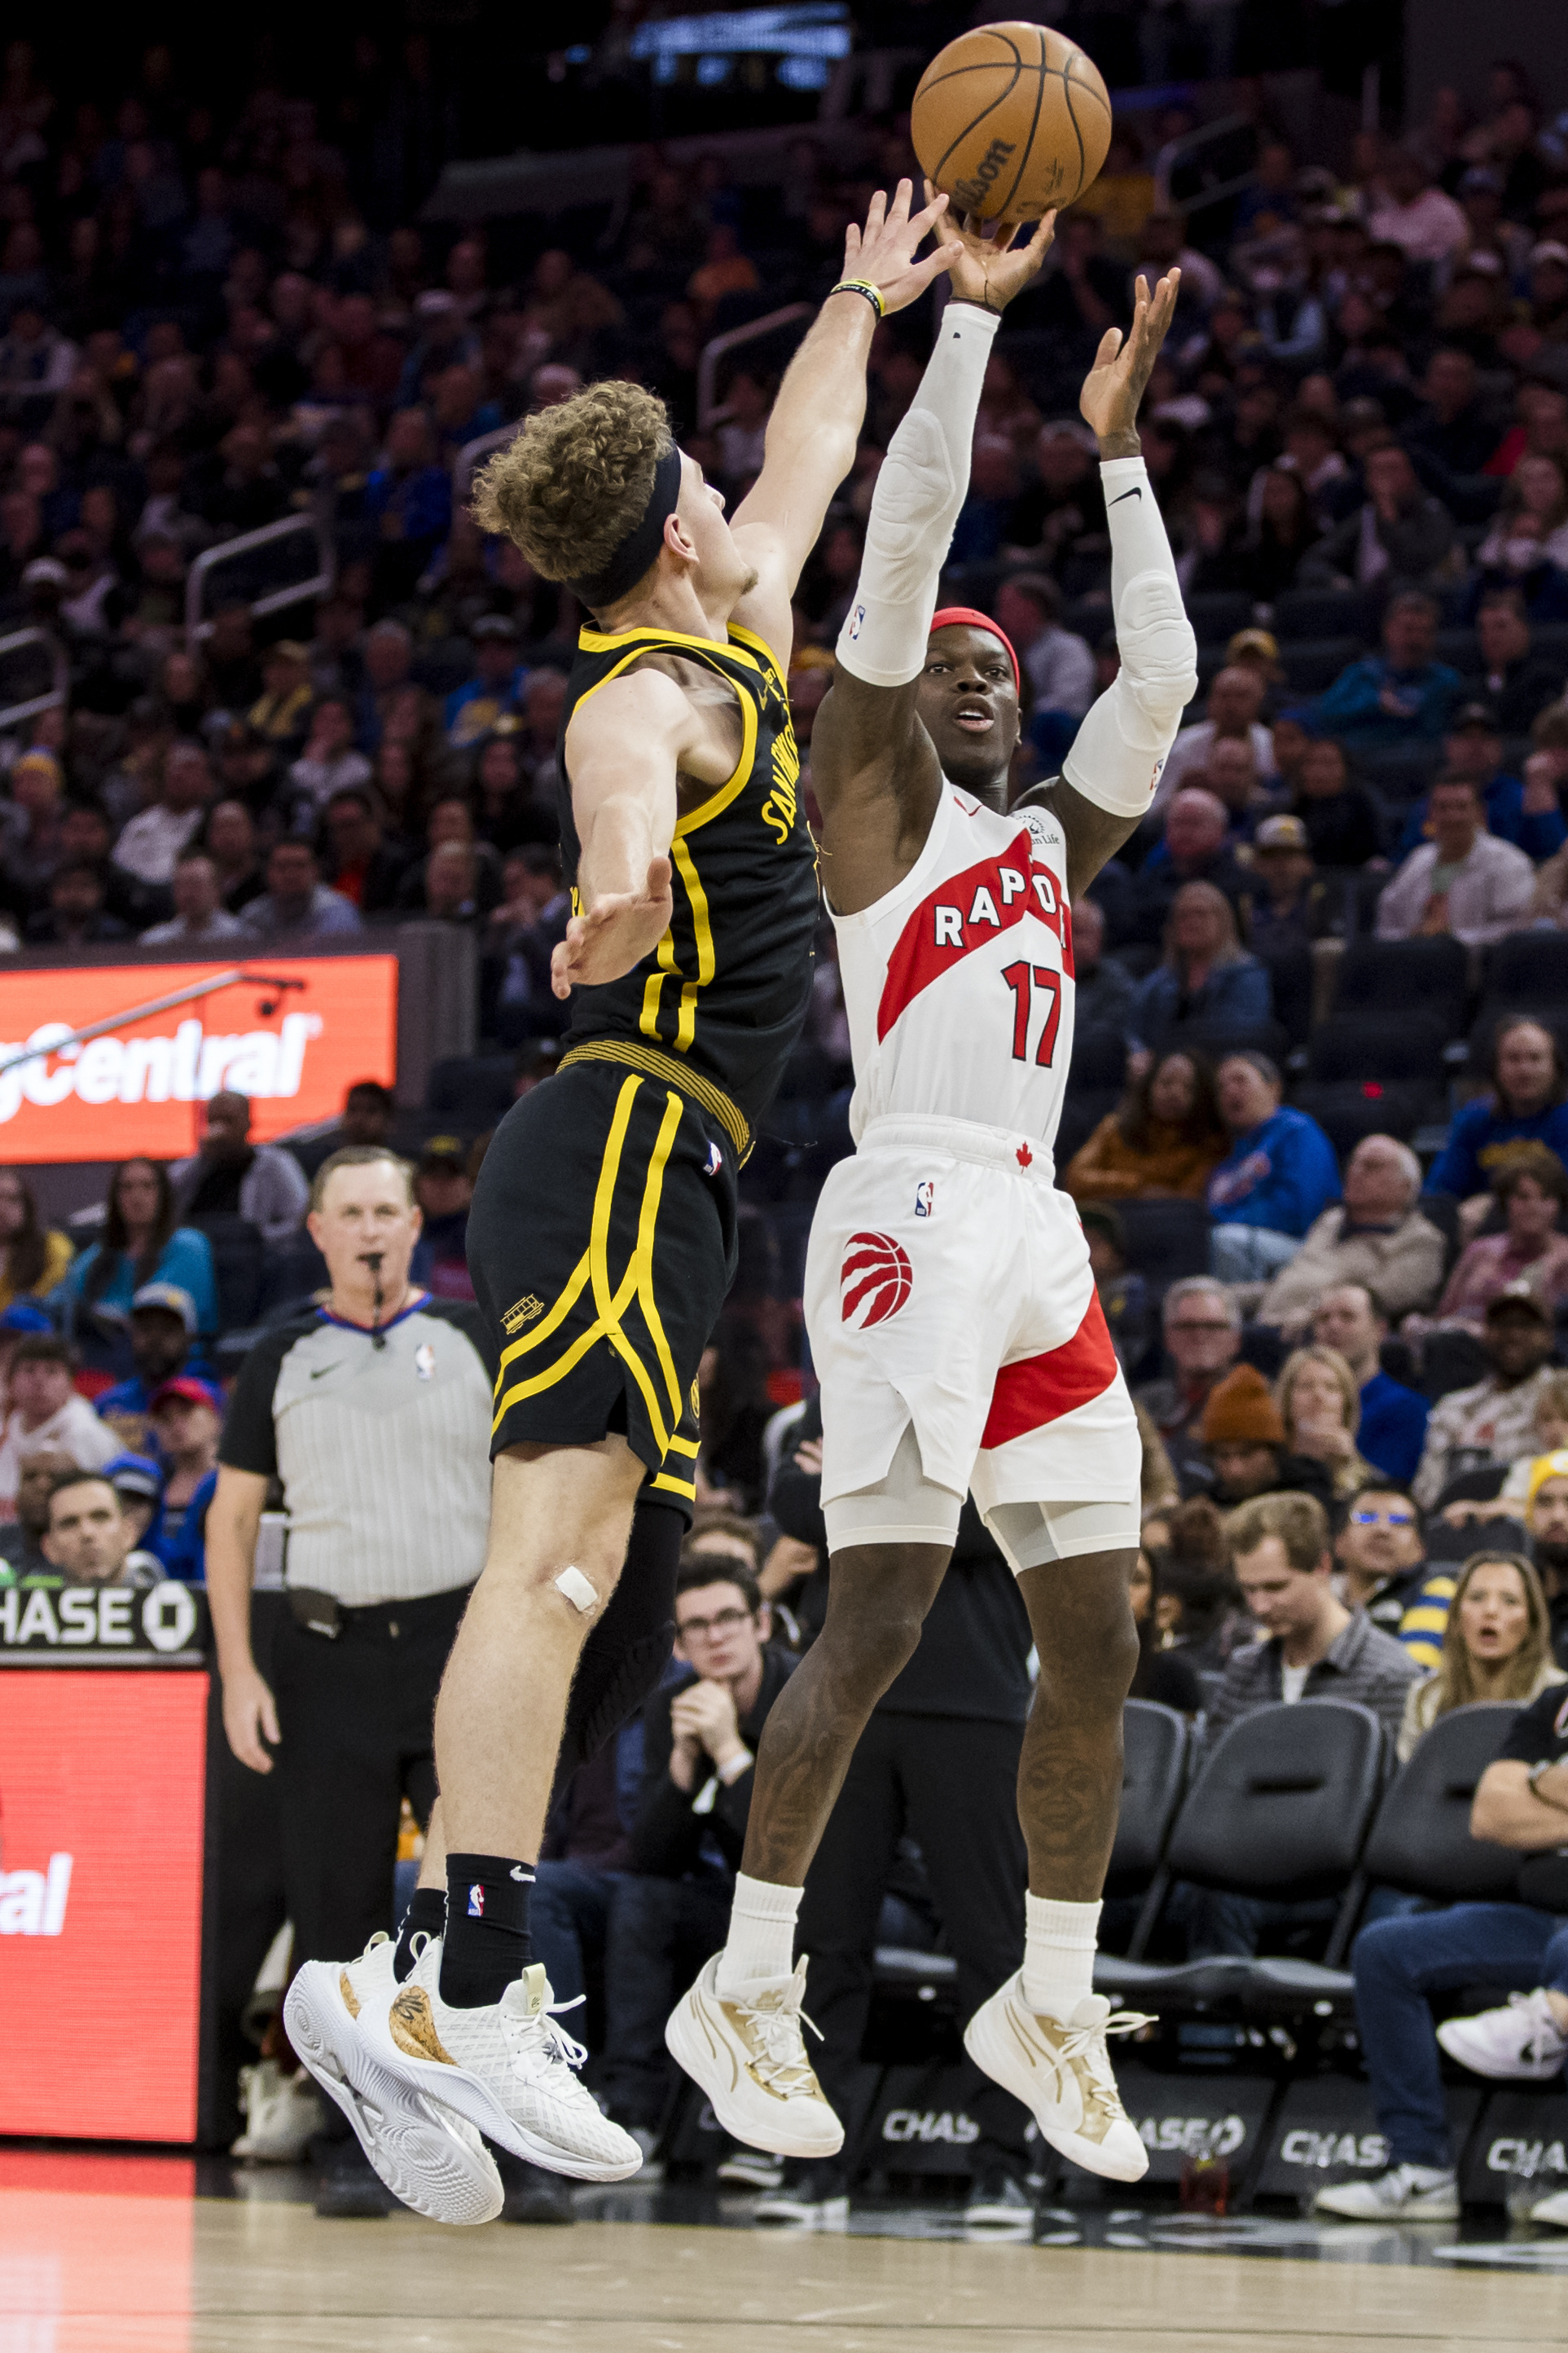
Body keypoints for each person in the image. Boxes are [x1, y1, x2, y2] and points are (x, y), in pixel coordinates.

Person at [296, 183, 965, 2211]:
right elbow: (610, 822)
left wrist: (866, 292)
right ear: (669, 532)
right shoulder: (640, 700)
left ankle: (402, 1973)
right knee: (562, 1566)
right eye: (698, 473)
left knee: (600, 1582)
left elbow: (811, 445)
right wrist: (614, 893)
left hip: (678, 1173)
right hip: (610, 1139)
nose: (723, 485)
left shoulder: (740, 616)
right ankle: (470, 1978)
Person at [660, 248, 1198, 2187]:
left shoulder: (1053, 836)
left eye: (997, 671)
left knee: (1101, 1627)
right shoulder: (868, 795)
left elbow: (1167, 682)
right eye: (953, 665)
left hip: (1036, 1224)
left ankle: (1047, 1991)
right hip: (902, 1204)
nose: (979, 679)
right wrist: (969, 319)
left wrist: (1122, 456)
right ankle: (741, 1976)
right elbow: (902, 549)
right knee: (879, 1606)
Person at [211, 1147, 499, 2220]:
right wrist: (240, 1672)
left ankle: (494, 2130)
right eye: (351, 1212)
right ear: (318, 1231)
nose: (371, 1227)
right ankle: (363, 2142)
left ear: (417, 1224)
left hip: (456, 1650)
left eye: (388, 1209)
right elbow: (230, 1520)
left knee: (478, 1900)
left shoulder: (473, 1338)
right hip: (321, 1659)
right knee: (336, 1918)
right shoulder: (280, 1352)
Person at [754, 1388, 1040, 2223]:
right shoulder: (849, 1366)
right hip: (846, 1695)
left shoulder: (996, 1385)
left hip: (971, 1702)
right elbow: (788, 1501)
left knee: (988, 1939)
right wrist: (930, 1497)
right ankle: (812, 2160)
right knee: (825, 1938)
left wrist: (855, 1487)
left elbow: (1009, 1520)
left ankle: (1004, 2161)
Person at [1315, 1688, 1568, 2226]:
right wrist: (1536, 1786)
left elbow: (1519, 1796)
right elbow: (1490, 1814)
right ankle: (1420, 2169)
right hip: (1538, 1916)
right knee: (1385, 1949)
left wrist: (1540, 1781)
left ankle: (1547, 2019)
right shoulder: (1554, 1704)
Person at [597, 1553, 797, 2154]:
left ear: (760, 1625)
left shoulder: (803, 1699)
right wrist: (684, 1766)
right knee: (642, 1902)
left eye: (728, 1619)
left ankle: (770, 2127)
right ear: (679, 1645)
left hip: (841, 1896)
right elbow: (653, 1859)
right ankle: (633, 2113)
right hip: (735, 1893)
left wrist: (730, 1752)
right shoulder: (673, 1705)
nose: (715, 1637)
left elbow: (791, 1852)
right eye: (696, 1626)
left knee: (778, 1917)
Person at [1208, 1490, 1419, 1746]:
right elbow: (1212, 1778)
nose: (1260, 1606)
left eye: (1276, 1587)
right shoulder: (1243, 1671)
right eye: (1249, 1589)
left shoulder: (1388, 1674)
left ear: (1322, 1567)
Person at [1257, 1141, 1444, 1341]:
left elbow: (1377, 1299)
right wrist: (1230, 1297)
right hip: (1268, 1319)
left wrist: (1315, 1314)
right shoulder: (1331, 1220)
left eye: (1372, 1166)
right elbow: (1293, 1279)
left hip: (1321, 1335)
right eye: (1354, 1164)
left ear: (1405, 1187)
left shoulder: (1420, 1239)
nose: (1356, 1172)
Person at [1397, 1550, 1564, 1761]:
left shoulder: (1560, 1698)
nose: (1491, 1610)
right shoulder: (1425, 1697)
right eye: (1477, 1598)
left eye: (1510, 1601)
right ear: (1456, 1618)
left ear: (1531, 1623)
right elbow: (1411, 1790)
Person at [1414, 1288, 1560, 1508]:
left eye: (1526, 1325)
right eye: (1503, 1324)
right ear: (1485, 1333)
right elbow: (1426, 1494)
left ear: (1549, 1337)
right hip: (1456, 1527)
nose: (1514, 1334)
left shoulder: (1561, 1400)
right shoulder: (1453, 1407)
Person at [1205, 1052, 1340, 1285]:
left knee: (1227, 1240)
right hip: (1249, 1244)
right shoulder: (1231, 1152)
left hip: (1305, 1247)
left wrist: (1231, 1219)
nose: (1229, 1091)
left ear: (1274, 1088)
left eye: (1240, 1080)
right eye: (1221, 1087)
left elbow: (1300, 1209)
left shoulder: (1297, 1132)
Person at [59, 1159, 219, 1344]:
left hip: (174, 1360)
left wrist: (102, 1315)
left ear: (164, 1195)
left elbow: (160, 1310)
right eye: (127, 1188)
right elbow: (63, 1300)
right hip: (104, 1354)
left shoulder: (189, 1245)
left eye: (148, 1186)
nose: (137, 1196)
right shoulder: (102, 1253)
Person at [1375, 775, 1535, 948]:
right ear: (1431, 814)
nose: (1452, 816)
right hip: (1417, 966)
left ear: (1480, 812)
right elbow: (1386, 928)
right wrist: (1412, 939)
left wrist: (1453, 941)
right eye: (1443, 808)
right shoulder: (1418, 860)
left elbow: (1518, 930)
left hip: (1483, 970)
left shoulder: (1509, 862)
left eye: (1461, 807)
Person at [1425, 1018, 1568, 1212]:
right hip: (1482, 1231)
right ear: (1496, 1068)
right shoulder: (1473, 1121)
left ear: (1555, 1067)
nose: (1524, 1070)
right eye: (1513, 1059)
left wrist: (1492, 1203)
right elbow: (1440, 1192)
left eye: (1535, 1058)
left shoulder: (1563, 1119)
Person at [1422, 1146, 1568, 1335]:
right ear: (1505, 1201)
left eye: (1546, 1197)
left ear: (1559, 1204)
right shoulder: (1479, 1250)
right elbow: (1444, 1314)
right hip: (1465, 1347)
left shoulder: (1565, 1258)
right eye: (1523, 1197)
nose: (1534, 1207)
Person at [1063, 1048, 1227, 1204]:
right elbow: (1075, 1178)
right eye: (1166, 1083)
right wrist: (1137, 1186)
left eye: (1188, 1088)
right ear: (1149, 1085)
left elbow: (1187, 1203)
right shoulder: (1114, 1127)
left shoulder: (1207, 1145)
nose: (1175, 1094)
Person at [1314, 590, 1463, 756]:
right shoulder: (1361, 674)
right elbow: (1325, 714)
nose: (1415, 639)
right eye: (1408, 629)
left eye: (1425, 631)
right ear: (1389, 630)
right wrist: (1376, 702)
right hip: (1362, 766)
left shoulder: (1447, 682)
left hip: (1423, 769)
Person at [1310, 1282, 1431, 1487]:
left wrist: (1349, 1460)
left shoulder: (1407, 1408)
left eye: (1347, 1317)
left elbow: (1394, 1490)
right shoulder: (1299, 1399)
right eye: (1323, 1318)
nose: (1333, 1326)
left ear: (1379, 1330)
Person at [1131, 882, 1272, 1053]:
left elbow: (1244, 1033)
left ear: (1224, 921)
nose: (1192, 922)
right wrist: (1138, 1054)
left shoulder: (1247, 974)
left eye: (1201, 913)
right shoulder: (1159, 981)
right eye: (1183, 915)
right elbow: (1133, 1030)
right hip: (1162, 1068)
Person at [1134, 1277, 1243, 1480]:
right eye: (1187, 1326)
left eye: (1212, 1326)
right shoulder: (1143, 1405)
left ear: (1235, 1338)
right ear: (1168, 1336)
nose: (1200, 1336)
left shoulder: (1258, 1402)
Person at [171, 1090, 310, 1247]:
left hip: (256, 1260)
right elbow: (165, 1207)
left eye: (228, 1121)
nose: (220, 1130)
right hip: (198, 1254)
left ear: (248, 1123)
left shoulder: (274, 1164)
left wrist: (258, 1239)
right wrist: (202, 1158)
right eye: (213, 1121)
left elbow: (299, 1218)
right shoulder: (192, 1168)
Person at [0, 1335, 119, 1515]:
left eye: (52, 1371)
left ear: (71, 1384)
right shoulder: (6, 1433)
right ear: (11, 1382)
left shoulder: (88, 1434)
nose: (39, 1380)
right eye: (29, 1370)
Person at [1194, 1363, 1333, 1509]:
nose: (1235, 1470)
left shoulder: (1308, 1494)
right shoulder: (1206, 1506)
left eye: (1246, 1454)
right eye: (1224, 1456)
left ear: (1273, 1451)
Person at [94, 1283, 204, 1451]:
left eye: (167, 1330)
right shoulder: (109, 1403)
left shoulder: (206, 1401)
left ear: (189, 1338)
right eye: (145, 1329)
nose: (155, 1340)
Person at [33, 1468, 161, 1590]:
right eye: (70, 1523)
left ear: (128, 1533)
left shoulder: (169, 1608)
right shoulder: (24, 1611)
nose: (87, 1533)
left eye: (100, 1517)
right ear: (49, 1547)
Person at [1334, 1480, 1431, 1640]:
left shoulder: (1434, 1596)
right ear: (1339, 1542)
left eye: (1399, 1521)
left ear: (1420, 1549)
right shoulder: (1316, 1600)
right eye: (1366, 1518)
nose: (1382, 1529)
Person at [1278, 1344, 1375, 1502]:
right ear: (1287, 1399)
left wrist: (1348, 1462)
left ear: (1346, 1405)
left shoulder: (1369, 1486)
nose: (1319, 1395)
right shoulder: (1267, 1473)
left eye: (1331, 1387)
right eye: (1306, 1386)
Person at [146, 1375, 223, 1568]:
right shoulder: (150, 1485)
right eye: (165, 1418)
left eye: (187, 1411)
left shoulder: (233, 1482)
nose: (177, 1425)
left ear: (215, 1418)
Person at [1128, 1542, 1204, 1713]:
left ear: (1152, 1601)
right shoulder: (1064, 1675)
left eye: (1136, 1580)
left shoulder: (1175, 1675)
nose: (1124, 1589)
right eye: (1113, 1579)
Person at [239, 840, 362, 942]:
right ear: (269, 873)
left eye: (300, 865)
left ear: (315, 871)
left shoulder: (338, 911)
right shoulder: (253, 917)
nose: (291, 874)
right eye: (283, 867)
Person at [140, 851, 248, 946]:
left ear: (216, 890)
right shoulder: (155, 943)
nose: (188, 893)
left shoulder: (241, 938)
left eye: (196, 884)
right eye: (181, 885)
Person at [0, 1168, 71, 1309]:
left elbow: (49, 1301)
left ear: (27, 1207)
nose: (2, 1208)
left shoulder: (51, 1247)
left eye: (12, 1199)